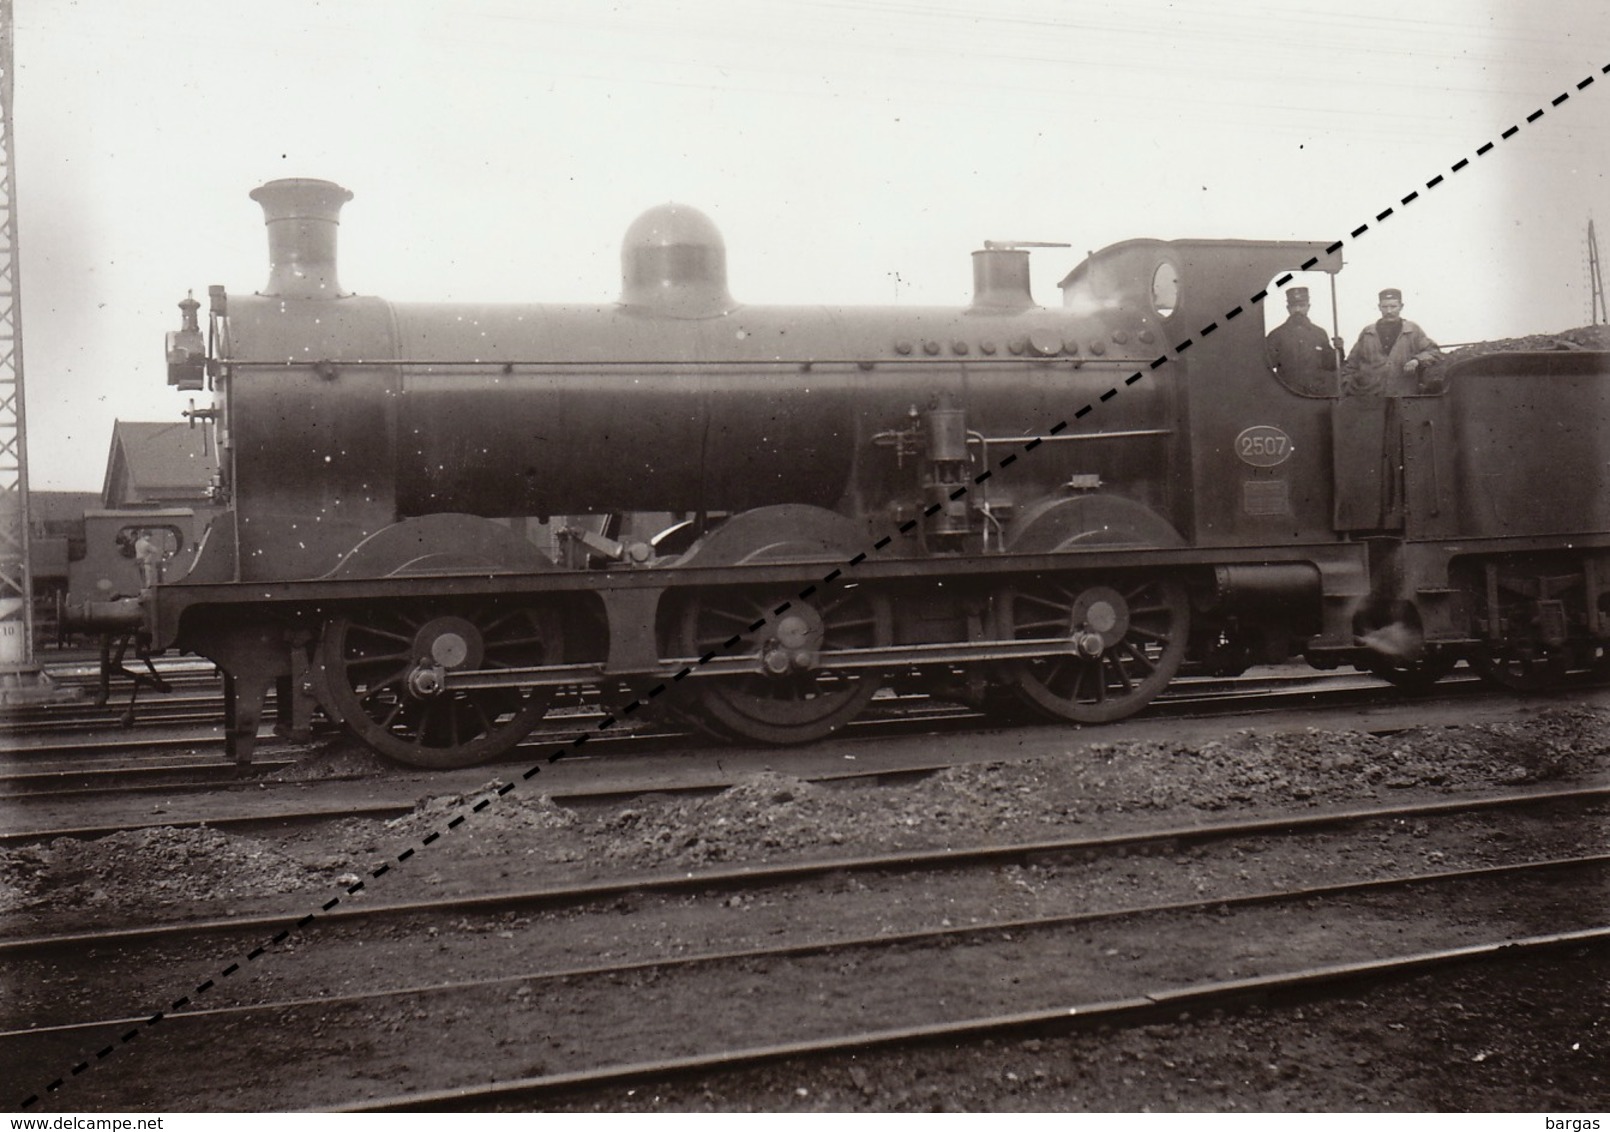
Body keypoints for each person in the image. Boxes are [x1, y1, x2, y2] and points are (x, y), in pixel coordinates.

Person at [1340, 288, 1443, 396]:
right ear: (1379, 307)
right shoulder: (1368, 333)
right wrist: (1348, 386)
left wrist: (1416, 360)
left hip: (1403, 397)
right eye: (1385, 307)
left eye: (1393, 307)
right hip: (1371, 398)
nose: (1389, 311)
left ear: (1401, 307)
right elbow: (1351, 364)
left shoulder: (1412, 331)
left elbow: (1434, 352)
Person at [1265, 286, 1340, 396]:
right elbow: (1267, 368)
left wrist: (1339, 349)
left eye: (1302, 305)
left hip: (1315, 395)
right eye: (1294, 306)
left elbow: (1331, 365)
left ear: (1308, 307)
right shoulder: (1276, 336)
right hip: (1288, 395)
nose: (1298, 310)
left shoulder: (1319, 333)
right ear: (1288, 308)